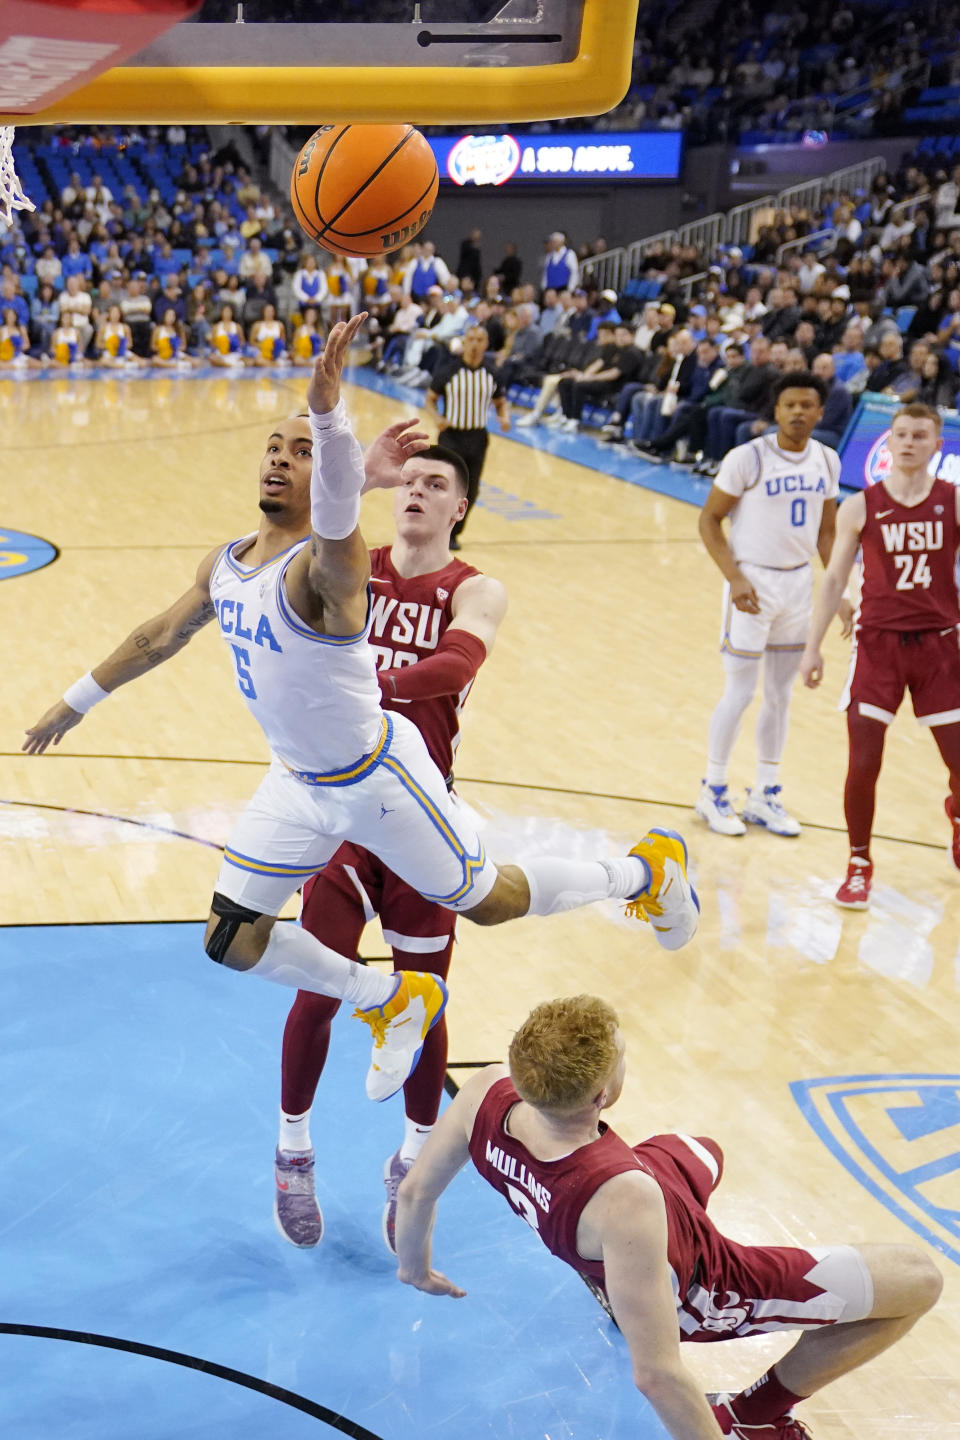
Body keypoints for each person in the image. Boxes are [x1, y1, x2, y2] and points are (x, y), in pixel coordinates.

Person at [24, 318, 700, 1107]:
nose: (280, 455)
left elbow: (341, 521)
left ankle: (644, 871)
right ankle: (386, 997)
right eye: (274, 445)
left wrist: (330, 418)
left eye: (300, 449)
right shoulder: (228, 560)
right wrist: (73, 703)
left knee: (487, 904)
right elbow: (156, 636)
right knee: (230, 939)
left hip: (379, 775)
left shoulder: (331, 565)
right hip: (297, 784)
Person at [394, 994, 942, 1440]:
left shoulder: (486, 1090)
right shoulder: (624, 1197)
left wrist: (413, 1268)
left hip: (607, 1224)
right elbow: (657, 1375)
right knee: (919, 1280)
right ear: (602, 1095)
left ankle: (623, 1294)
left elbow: (416, 1192)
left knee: (701, 1150)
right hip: (702, 1284)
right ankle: (753, 1415)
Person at [274, 444, 506, 1251]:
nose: (417, 491)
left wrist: (370, 688)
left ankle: (410, 1159)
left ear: (459, 509)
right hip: (341, 813)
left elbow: (456, 662)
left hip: (421, 819)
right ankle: (292, 1151)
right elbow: (280, 575)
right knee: (320, 986)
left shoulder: (473, 587)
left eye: (435, 485)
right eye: (409, 482)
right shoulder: (350, 566)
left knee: (424, 997)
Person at [800, 403, 960, 909]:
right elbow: (832, 580)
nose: (909, 442)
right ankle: (859, 863)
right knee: (864, 762)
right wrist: (813, 648)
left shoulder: (953, 502)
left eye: (920, 435)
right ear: (886, 443)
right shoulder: (860, 506)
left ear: (939, 444)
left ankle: (956, 811)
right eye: (901, 434)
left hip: (940, 648)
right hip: (877, 648)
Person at [695, 372, 840, 838]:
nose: (798, 412)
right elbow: (710, 520)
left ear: (820, 412)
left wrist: (840, 592)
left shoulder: (828, 460)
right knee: (740, 691)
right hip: (752, 582)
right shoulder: (749, 457)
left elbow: (827, 532)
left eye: (807, 405)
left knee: (781, 695)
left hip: (798, 585)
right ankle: (713, 789)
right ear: (776, 411)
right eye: (789, 405)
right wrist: (734, 577)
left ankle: (765, 792)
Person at [425, 323, 511, 549]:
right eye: (470, 339)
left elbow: (501, 403)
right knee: (446, 487)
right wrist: (436, 418)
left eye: (479, 340)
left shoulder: (493, 374)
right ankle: (435, 527)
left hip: (478, 438)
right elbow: (430, 399)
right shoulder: (448, 371)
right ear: (463, 343)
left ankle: (453, 532)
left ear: (486, 344)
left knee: (471, 489)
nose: (474, 344)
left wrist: (505, 417)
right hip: (451, 437)